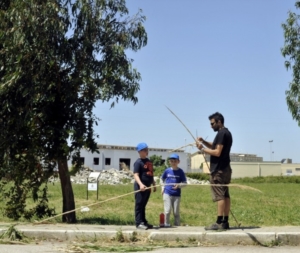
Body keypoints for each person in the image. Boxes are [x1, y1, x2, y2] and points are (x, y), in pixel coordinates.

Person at [196, 112, 233, 230]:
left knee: (220, 196)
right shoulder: (226, 133)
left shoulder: (221, 133)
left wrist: (202, 149)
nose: (211, 126)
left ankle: (218, 222)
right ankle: (225, 222)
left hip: (219, 170)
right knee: (226, 195)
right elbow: (215, 146)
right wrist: (204, 142)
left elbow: (217, 152)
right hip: (226, 169)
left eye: (212, 123)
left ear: (219, 122)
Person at [133, 142, 156, 230]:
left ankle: (144, 221)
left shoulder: (149, 161)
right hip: (141, 187)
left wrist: (153, 183)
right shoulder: (138, 162)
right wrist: (141, 185)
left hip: (148, 187)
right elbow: (136, 175)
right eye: (145, 150)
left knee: (143, 205)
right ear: (140, 152)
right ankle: (138, 223)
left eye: (147, 149)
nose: (147, 151)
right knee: (139, 204)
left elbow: (150, 173)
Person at [161, 153, 187, 227]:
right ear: (169, 162)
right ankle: (166, 224)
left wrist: (179, 185)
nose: (173, 163)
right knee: (167, 210)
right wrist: (163, 187)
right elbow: (162, 179)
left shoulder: (181, 172)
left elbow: (185, 183)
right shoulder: (167, 171)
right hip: (167, 193)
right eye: (172, 161)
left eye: (175, 161)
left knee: (176, 212)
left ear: (178, 162)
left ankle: (177, 225)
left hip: (177, 195)